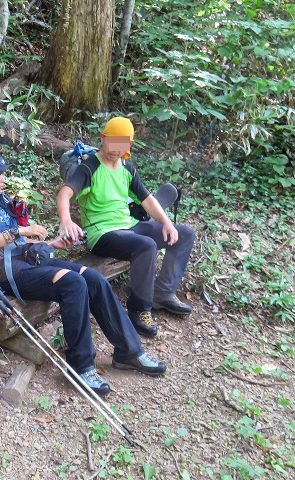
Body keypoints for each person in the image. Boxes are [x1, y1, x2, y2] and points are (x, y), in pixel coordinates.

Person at [0, 150, 166, 398]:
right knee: (73, 283)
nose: (4, 177)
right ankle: (81, 365)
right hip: (2, 273)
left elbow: (19, 244)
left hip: (26, 260)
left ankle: (129, 351)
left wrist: (51, 244)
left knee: (94, 279)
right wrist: (21, 231)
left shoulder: (1, 200)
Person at [57, 117, 195, 338]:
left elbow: (147, 199)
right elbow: (65, 193)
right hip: (102, 234)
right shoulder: (89, 167)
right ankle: (140, 308)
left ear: (129, 145)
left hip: (129, 226)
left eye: (121, 144)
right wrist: (66, 221)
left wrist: (167, 223)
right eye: (111, 142)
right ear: (102, 139)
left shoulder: (126, 168)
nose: (114, 150)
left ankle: (163, 292)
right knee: (146, 245)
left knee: (185, 234)